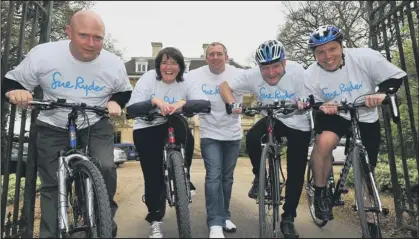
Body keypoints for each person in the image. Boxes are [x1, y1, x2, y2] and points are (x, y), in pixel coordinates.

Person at [2, 10, 132, 238]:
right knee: (52, 185)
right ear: (68, 32)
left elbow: (124, 91)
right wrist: (17, 91)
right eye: (83, 36)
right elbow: (11, 81)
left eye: (98, 38)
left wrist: (114, 102)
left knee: (105, 166)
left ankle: (103, 222)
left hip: (94, 120)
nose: (91, 44)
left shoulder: (113, 63)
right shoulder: (44, 55)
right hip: (53, 123)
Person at [304, 25, 406, 233]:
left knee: (367, 168)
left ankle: (369, 222)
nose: (327, 56)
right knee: (323, 142)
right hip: (336, 115)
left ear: (342, 46)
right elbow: (308, 102)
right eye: (320, 52)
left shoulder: (365, 57)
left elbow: (395, 77)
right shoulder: (311, 74)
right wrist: (321, 106)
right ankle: (321, 194)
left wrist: (381, 93)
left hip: (365, 114)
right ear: (315, 54)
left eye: (332, 49)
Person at [219, 40, 311, 238]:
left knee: (296, 169)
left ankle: (288, 219)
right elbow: (225, 86)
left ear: (284, 63)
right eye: (265, 67)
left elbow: (314, 91)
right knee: (252, 136)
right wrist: (231, 103)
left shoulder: (298, 72)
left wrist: (306, 101)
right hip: (274, 118)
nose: (270, 73)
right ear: (258, 66)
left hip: (299, 122)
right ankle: (261, 177)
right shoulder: (251, 75)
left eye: (275, 66)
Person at [126, 47, 209, 238]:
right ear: (158, 66)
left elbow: (204, 103)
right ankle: (155, 219)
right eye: (164, 62)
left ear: (180, 66)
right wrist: (154, 101)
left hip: (174, 124)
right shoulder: (148, 78)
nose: (169, 67)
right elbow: (131, 109)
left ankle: (182, 174)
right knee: (153, 175)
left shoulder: (187, 80)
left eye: (173, 63)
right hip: (147, 128)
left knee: (183, 129)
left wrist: (183, 104)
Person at [185, 42, 244, 238]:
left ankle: (225, 215)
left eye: (220, 54)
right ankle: (214, 223)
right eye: (211, 54)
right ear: (206, 57)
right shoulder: (194, 75)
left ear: (227, 57)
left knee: (227, 179)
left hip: (233, 134)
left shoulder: (238, 73)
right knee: (213, 176)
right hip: (209, 133)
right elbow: (176, 85)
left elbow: (260, 82)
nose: (216, 57)